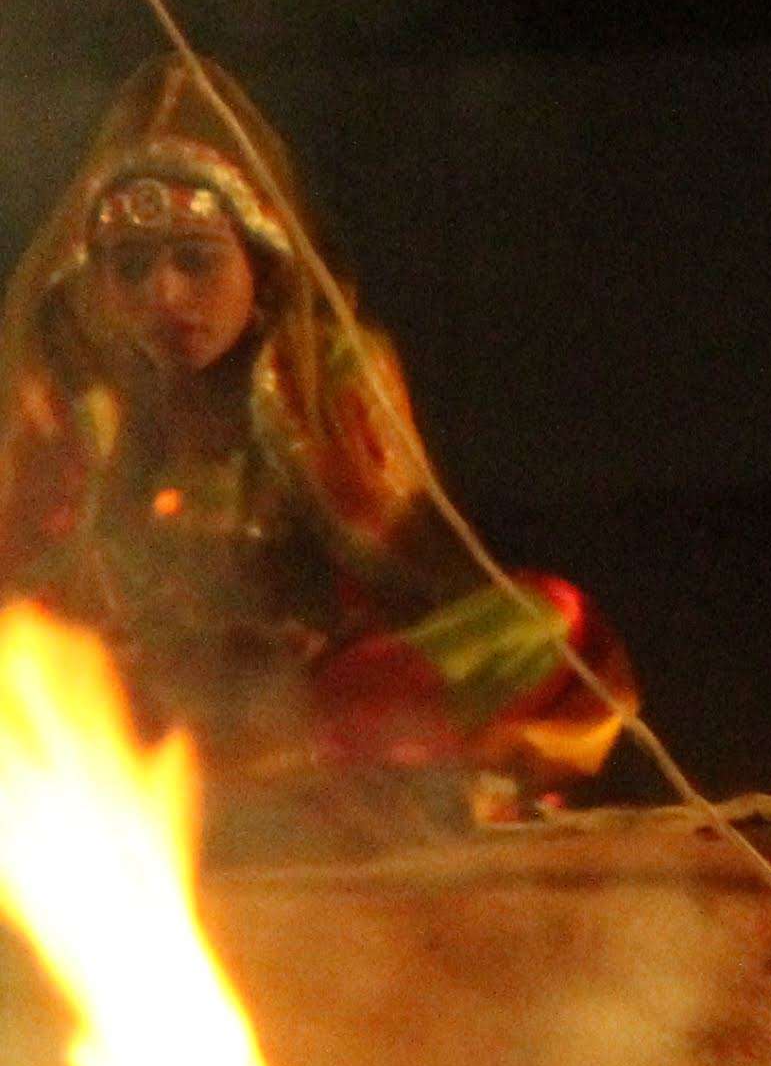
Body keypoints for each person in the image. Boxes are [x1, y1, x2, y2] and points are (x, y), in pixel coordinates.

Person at [0, 54, 634, 849]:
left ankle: (281, 779)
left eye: (195, 260)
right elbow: (30, 593)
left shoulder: (323, 372)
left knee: (548, 623)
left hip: (312, 696)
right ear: (98, 286)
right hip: (148, 700)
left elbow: (413, 570)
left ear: (259, 267)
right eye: (132, 268)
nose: (165, 296)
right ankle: (257, 790)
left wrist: (296, 646)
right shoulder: (83, 401)